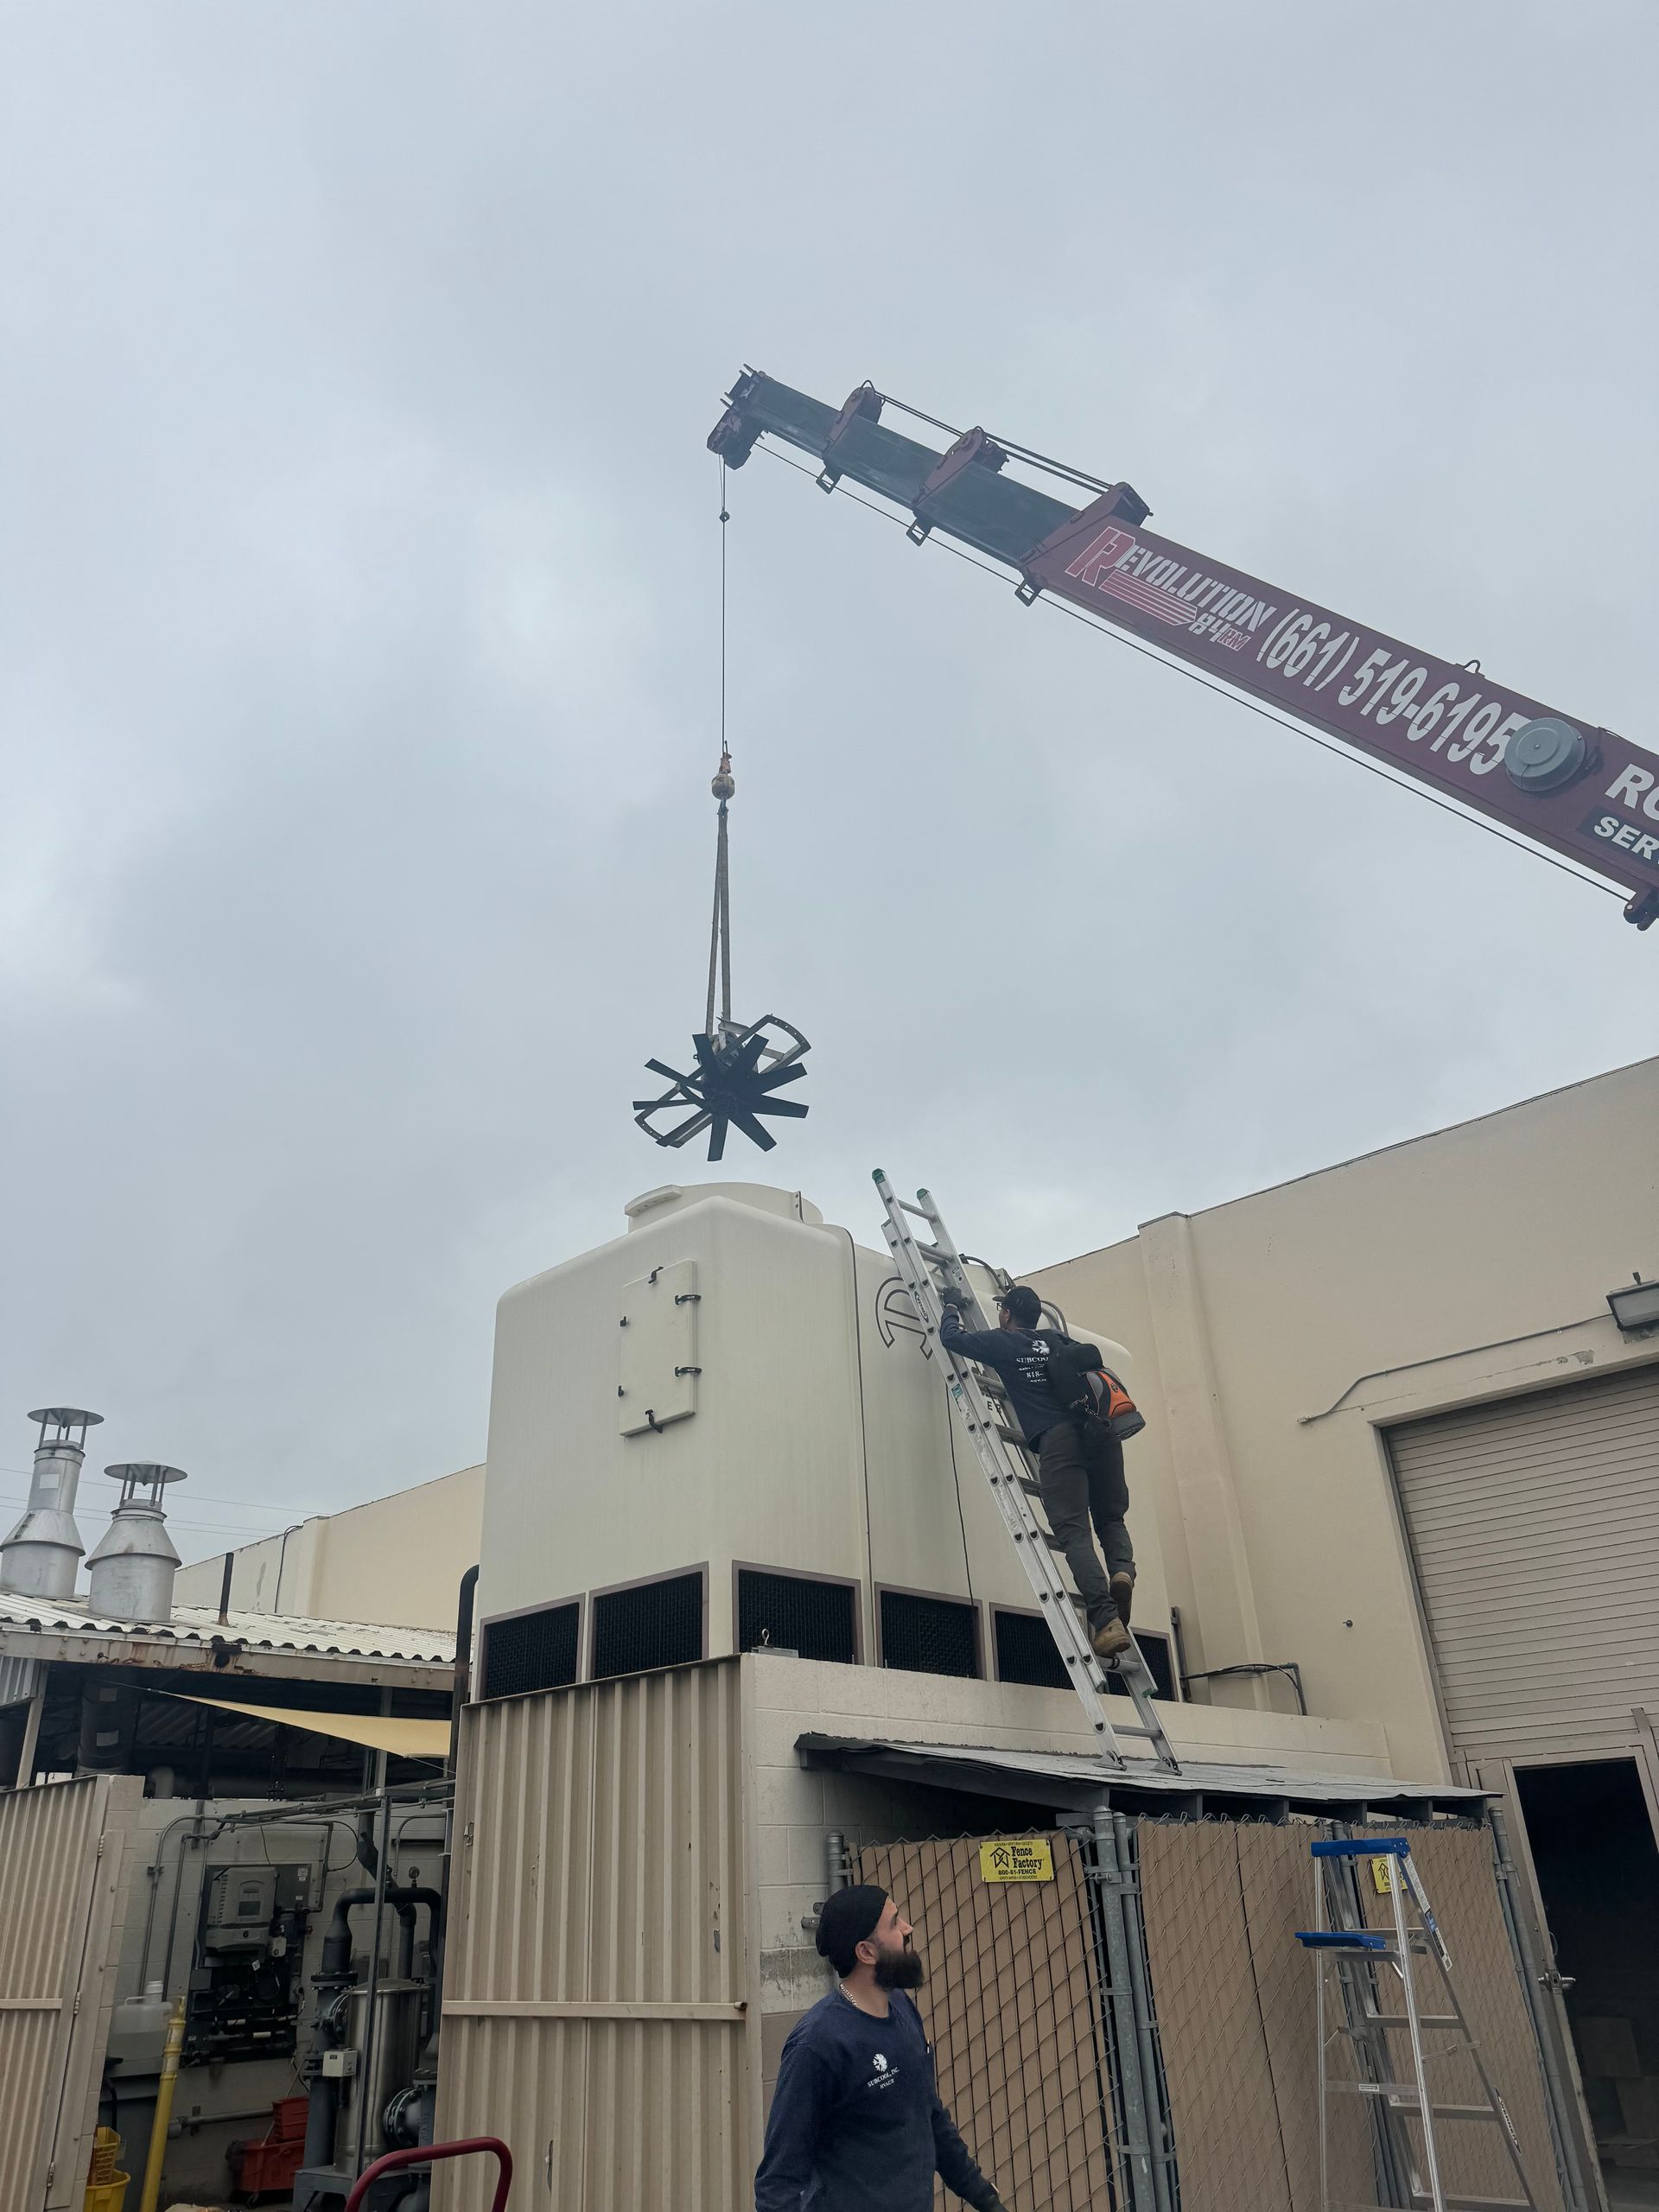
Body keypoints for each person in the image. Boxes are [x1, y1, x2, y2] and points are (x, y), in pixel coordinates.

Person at [754, 1884, 1009, 2212]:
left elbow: (929, 2114)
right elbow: (778, 2181)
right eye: (895, 1922)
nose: (908, 1929)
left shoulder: (902, 2008)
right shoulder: (817, 2044)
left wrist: (982, 2195)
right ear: (866, 1952)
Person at [939, 1283, 1135, 1659]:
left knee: (1074, 1532)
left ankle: (1107, 1621)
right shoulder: (1057, 1338)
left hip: (1060, 1441)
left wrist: (950, 1304)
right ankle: (1123, 1572)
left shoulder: (1005, 1342)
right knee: (1111, 1519)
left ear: (1007, 1314)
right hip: (1103, 1432)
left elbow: (952, 1337)